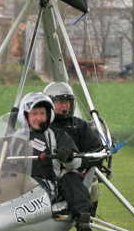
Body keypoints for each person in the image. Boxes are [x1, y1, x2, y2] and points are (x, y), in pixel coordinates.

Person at [18, 92, 93, 231]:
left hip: (50, 187)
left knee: (71, 177)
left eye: (42, 113)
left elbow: (75, 164)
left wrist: (69, 156)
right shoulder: (15, 136)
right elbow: (0, 160)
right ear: (25, 115)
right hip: (20, 186)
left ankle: (83, 221)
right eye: (34, 114)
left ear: (48, 115)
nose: (39, 118)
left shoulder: (58, 135)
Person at [44, 81, 108, 213]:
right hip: (47, 172)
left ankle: (84, 217)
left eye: (67, 102)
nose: (64, 106)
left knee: (80, 178)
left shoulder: (80, 125)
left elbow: (97, 151)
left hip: (74, 171)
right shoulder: (42, 125)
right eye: (60, 102)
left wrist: (77, 161)